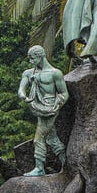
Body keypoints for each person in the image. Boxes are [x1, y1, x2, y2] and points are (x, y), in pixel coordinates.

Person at [17, 45, 69, 175]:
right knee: (52, 138)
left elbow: (64, 93)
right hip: (37, 107)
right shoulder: (29, 73)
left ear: (41, 56)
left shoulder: (55, 73)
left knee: (38, 139)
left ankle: (39, 168)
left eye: (33, 58)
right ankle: (66, 163)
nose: (31, 62)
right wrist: (23, 95)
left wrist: (58, 103)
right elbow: (21, 88)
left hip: (50, 107)